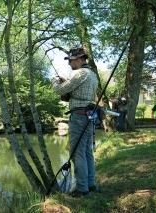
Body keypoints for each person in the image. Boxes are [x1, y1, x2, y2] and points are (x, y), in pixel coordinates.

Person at [51, 47, 99, 198]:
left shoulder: (78, 73)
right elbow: (77, 90)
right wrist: (67, 82)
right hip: (89, 115)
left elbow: (59, 90)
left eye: (70, 60)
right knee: (86, 152)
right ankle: (91, 185)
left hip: (78, 116)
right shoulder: (92, 75)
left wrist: (54, 81)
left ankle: (82, 189)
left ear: (78, 59)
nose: (69, 64)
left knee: (77, 152)